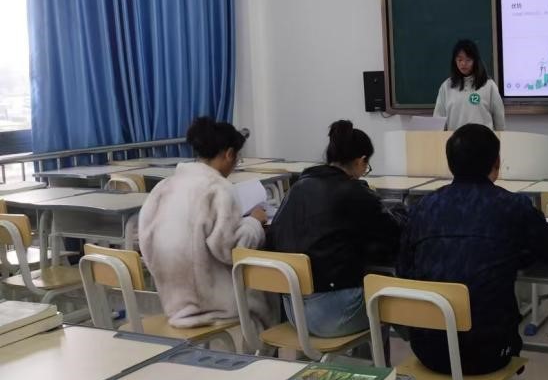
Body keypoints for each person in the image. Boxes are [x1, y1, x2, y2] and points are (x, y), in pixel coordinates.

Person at [397, 123, 548, 375]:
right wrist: (515, 257)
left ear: (450, 163)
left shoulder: (423, 207)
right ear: (496, 162)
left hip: (428, 348)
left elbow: (404, 268)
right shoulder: (511, 205)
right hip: (488, 353)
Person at [267, 120, 403, 337]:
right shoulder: (354, 193)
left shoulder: (297, 188)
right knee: (397, 296)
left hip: (294, 311)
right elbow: (393, 235)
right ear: (361, 161)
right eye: (366, 167)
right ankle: (384, 358)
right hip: (332, 315)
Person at [138, 117, 271, 328]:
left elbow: (145, 239)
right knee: (271, 291)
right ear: (229, 154)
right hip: (214, 306)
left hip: (173, 302)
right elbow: (232, 250)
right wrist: (254, 223)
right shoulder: (218, 188)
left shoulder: (163, 187)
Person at [432, 39, 505, 131]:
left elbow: (499, 118)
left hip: (483, 139)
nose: (463, 63)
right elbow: (438, 120)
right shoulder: (446, 86)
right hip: (455, 138)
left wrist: (500, 137)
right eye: (460, 59)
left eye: (468, 59)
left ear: (475, 61)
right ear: (455, 61)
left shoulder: (488, 85)